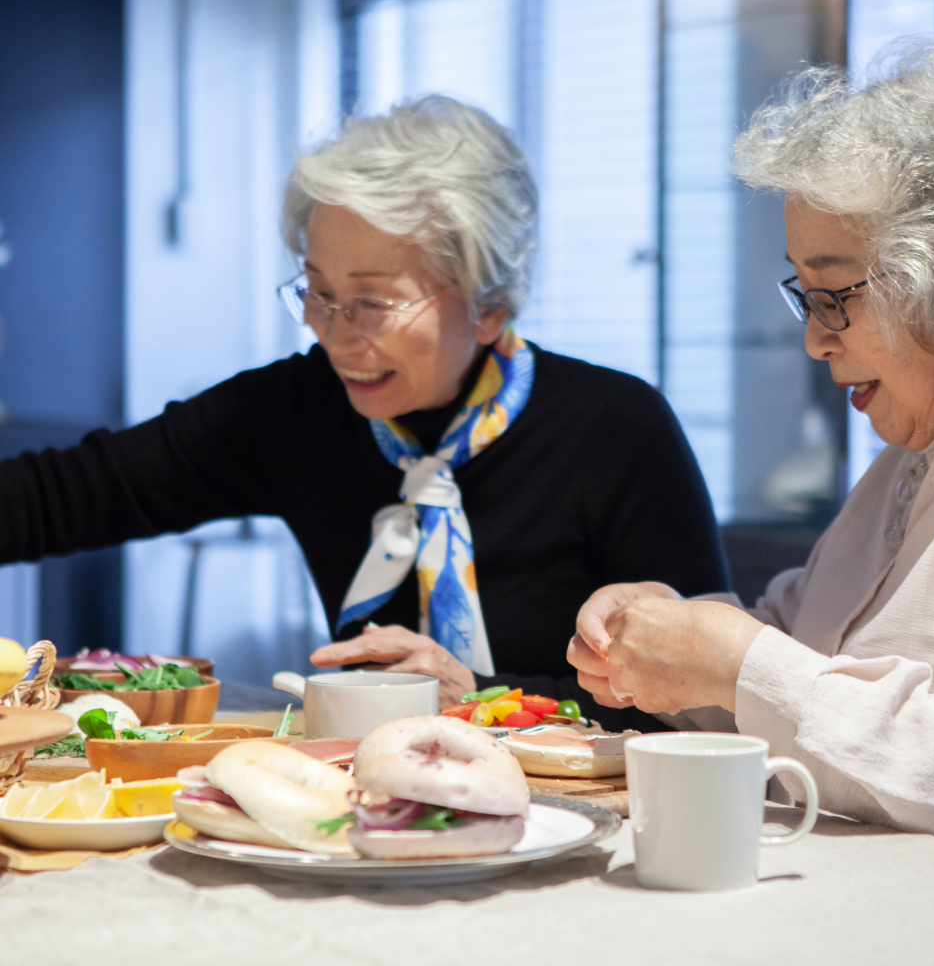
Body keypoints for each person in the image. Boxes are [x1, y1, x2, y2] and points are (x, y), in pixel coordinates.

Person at [0, 95, 727, 726]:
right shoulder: (298, 408)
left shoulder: (615, 428)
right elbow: (69, 494)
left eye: (373, 302)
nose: (334, 332)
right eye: (316, 291)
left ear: (490, 304)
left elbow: (700, 699)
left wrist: (478, 695)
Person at [569, 36, 934, 862]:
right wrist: (674, 635)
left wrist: (736, 661)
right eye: (803, 295)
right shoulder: (914, 456)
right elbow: (789, 664)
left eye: (836, 296)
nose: (813, 341)